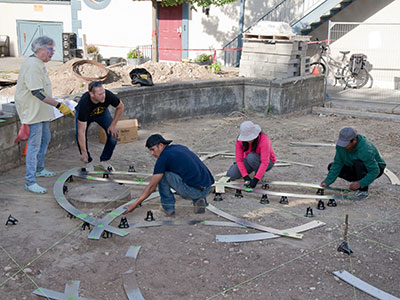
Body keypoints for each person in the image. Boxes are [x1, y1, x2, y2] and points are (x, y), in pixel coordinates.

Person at [15, 36, 74, 194]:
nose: (52, 53)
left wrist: (58, 103)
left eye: (53, 49)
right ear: (39, 49)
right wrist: (59, 105)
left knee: (45, 138)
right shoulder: (32, 65)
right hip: (33, 111)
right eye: (50, 49)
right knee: (33, 146)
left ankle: (40, 168)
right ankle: (30, 181)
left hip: (41, 110)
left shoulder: (39, 63)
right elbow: (37, 93)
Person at [124, 134, 214, 216]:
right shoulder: (179, 147)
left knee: (162, 176)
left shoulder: (163, 158)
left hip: (193, 191)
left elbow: (152, 186)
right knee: (187, 174)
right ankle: (198, 199)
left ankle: (168, 208)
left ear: (161, 145)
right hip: (208, 188)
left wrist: (135, 204)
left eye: (153, 149)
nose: (152, 153)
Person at [321, 127, 386, 200]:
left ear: (354, 140)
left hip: (376, 168)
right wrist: (327, 181)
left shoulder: (365, 149)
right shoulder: (341, 146)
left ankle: (363, 192)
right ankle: (358, 181)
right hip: (355, 167)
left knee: (359, 163)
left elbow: (374, 171)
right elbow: (337, 164)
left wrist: (361, 183)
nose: (344, 146)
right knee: (331, 166)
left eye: (346, 144)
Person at [75, 81, 124, 171]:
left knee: (113, 135)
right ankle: (88, 161)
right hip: (87, 115)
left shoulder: (108, 95)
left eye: (104, 92)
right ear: (91, 94)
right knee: (80, 136)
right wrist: (84, 152)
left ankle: (104, 160)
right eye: (100, 94)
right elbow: (81, 132)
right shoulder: (84, 104)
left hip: (101, 113)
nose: (103, 96)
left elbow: (120, 107)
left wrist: (113, 125)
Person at [226, 121, 276, 188]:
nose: (248, 140)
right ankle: (252, 170)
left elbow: (265, 162)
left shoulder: (264, 140)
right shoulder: (240, 141)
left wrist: (256, 179)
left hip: (267, 162)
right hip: (249, 160)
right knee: (231, 174)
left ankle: (259, 174)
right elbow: (239, 160)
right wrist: (245, 176)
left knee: (251, 157)